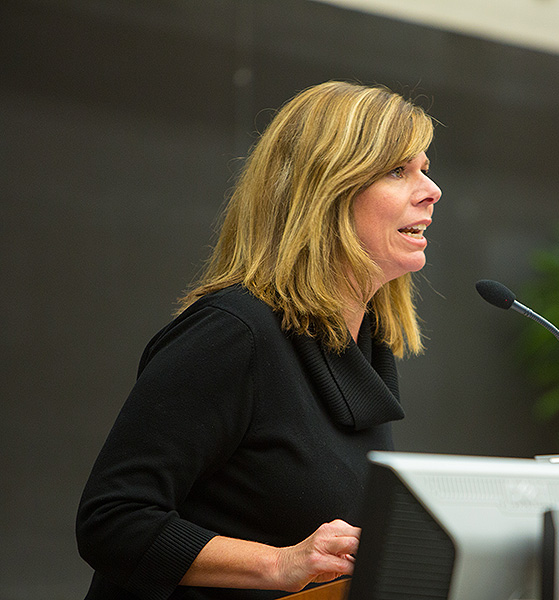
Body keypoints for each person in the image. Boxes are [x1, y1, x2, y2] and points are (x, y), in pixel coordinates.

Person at [76, 80, 442, 600]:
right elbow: (112, 520)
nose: (431, 190)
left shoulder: (362, 345)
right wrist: (280, 564)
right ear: (325, 190)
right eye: (398, 170)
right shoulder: (233, 332)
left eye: (424, 168)